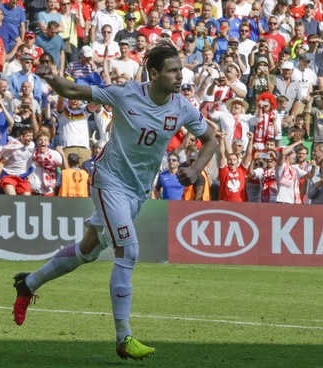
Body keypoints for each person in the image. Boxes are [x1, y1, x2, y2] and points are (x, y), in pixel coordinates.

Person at [11, 41, 216, 361]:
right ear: (154, 73)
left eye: (181, 70)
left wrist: (196, 167)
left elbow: (210, 140)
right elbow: (75, 91)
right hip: (109, 182)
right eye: (173, 70)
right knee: (129, 249)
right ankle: (124, 337)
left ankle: (29, 283)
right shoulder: (127, 93)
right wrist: (51, 76)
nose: (180, 76)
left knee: (87, 251)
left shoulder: (182, 107)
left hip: (137, 192)